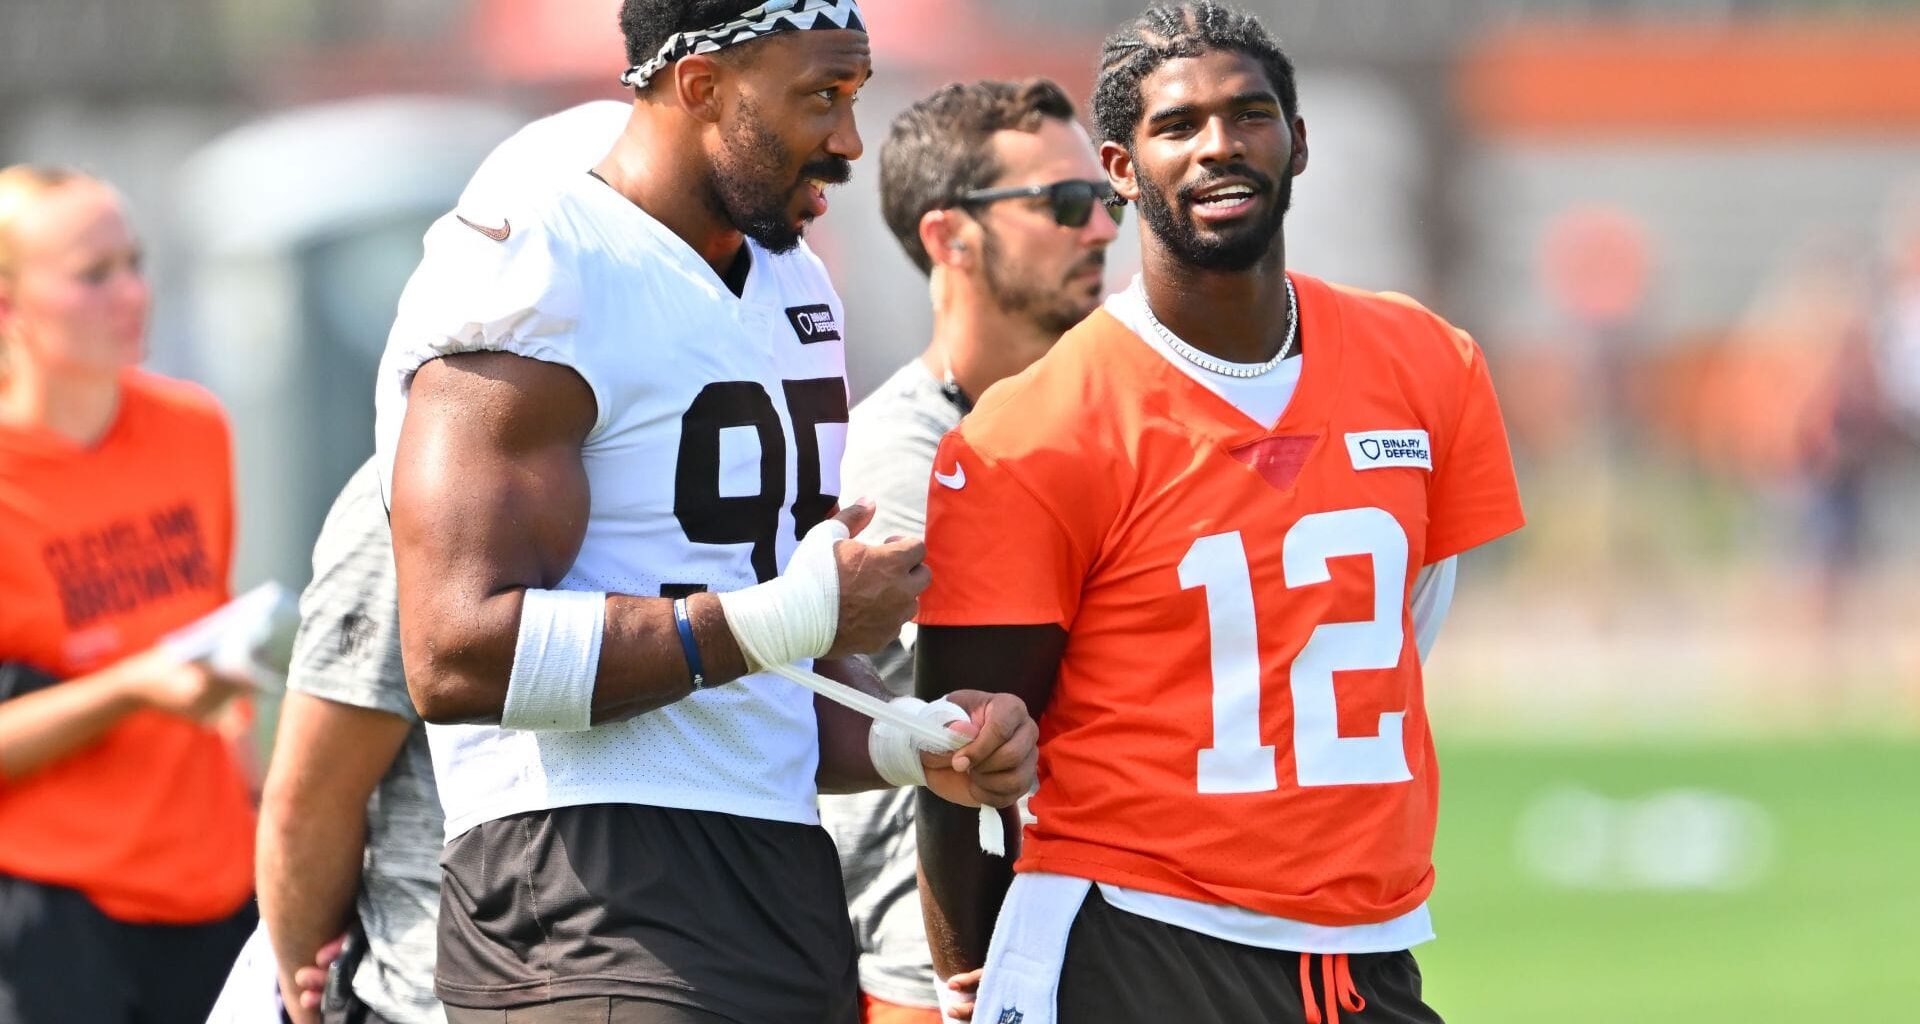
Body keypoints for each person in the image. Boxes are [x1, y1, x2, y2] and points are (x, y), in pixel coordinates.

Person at [373, 3, 1039, 1022]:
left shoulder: (793, 283)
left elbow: (762, 674)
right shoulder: (543, 261)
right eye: (821, 96)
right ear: (700, 86)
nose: (849, 141)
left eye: (854, 97)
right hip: (583, 889)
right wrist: (790, 618)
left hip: (781, 881)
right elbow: (455, 650)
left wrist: (906, 742)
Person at [914, 5, 1526, 1024]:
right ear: (1118, 164)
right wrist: (965, 975)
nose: (1219, 146)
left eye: (1250, 115)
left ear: (1298, 140)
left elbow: (1400, 628)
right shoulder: (1035, 428)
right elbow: (959, 758)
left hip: (1366, 949)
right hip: (1137, 937)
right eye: (1178, 125)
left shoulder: (1427, 362)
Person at [244, 98, 638, 1024]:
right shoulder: (417, 488)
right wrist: (310, 974)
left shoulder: (697, 463)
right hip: (443, 991)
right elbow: (312, 791)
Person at [818, 77, 1119, 1024]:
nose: (1103, 231)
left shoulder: (1112, 430)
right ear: (951, 237)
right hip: (941, 980)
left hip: (1096, 948)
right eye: (1065, 205)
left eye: (1106, 202)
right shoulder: (894, 467)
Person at [0, 165, 258, 1023]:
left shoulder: (195, 430)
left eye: (135, 262)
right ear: (8, 305)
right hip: (62, 915)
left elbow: (209, 629)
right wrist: (131, 687)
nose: (133, 293)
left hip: (219, 885)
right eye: (93, 274)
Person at [255, 459, 445, 1024]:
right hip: (429, 987)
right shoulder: (413, 486)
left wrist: (308, 1000)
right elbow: (311, 802)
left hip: (432, 994)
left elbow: (304, 806)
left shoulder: (421, 477)